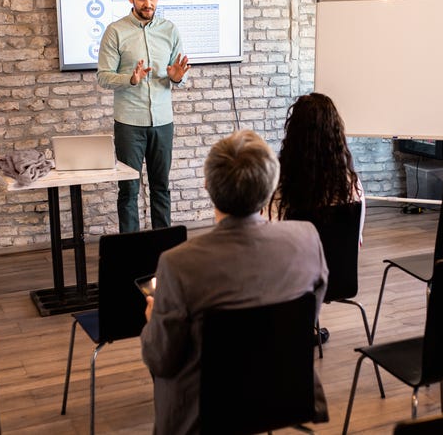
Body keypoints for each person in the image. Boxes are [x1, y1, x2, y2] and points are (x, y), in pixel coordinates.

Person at [140, 129, 329, 434]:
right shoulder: (307, 239)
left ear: (207, 185)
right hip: (283, 395)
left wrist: (153, 322)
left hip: (204, 415)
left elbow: (161, 359)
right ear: (271, 185)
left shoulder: (178, 264)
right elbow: (308, 314)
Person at [97, 0, 190, 233]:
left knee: (161, 187)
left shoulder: (169, 30)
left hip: (163, 122)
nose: (148, 4)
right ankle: (131, 250)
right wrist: (131, 79)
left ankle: (163, 248)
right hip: (129, 124)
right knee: (129, 189)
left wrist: (177, 77)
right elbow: (103, 76)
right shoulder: (115, 31)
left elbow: (178, 74)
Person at [270, 92, 365, 242]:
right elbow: (356, 240)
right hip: (338, 258)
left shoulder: (280, 187)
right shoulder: (352, 185)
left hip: (296, 257)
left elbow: (272, 241)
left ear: (293, 135)